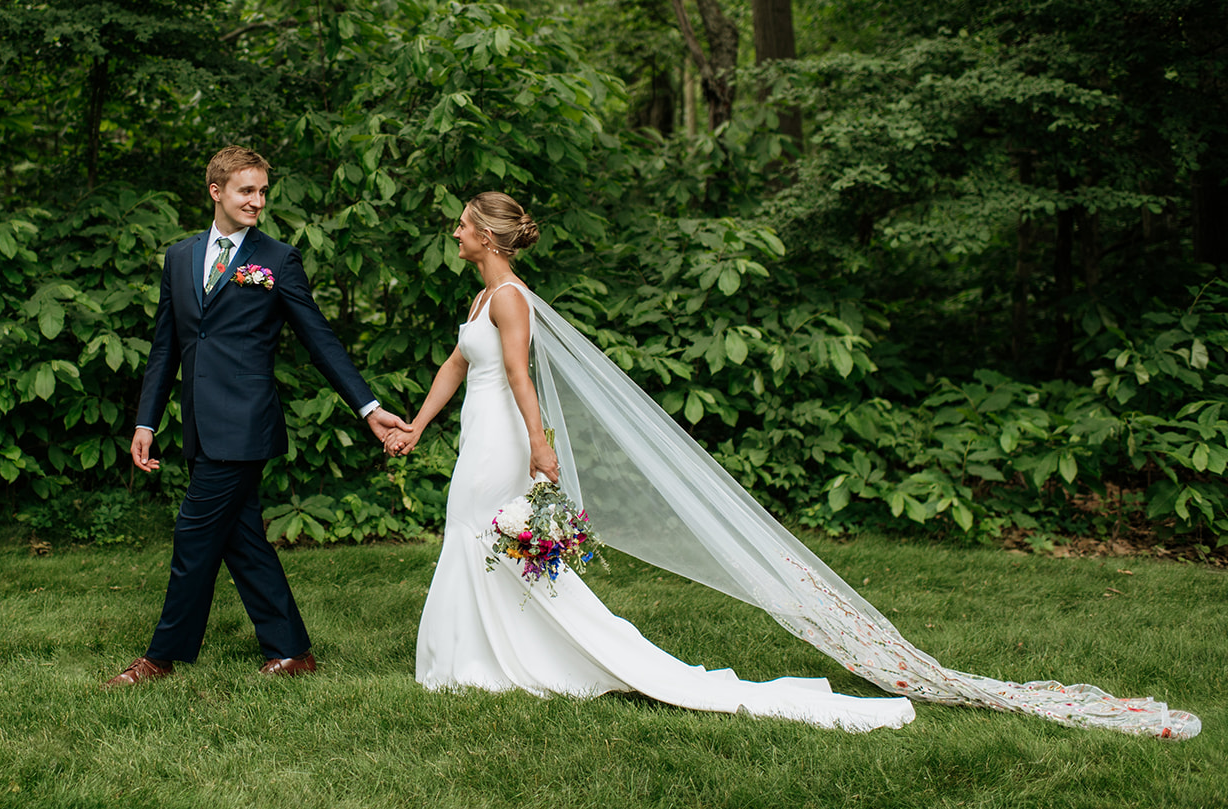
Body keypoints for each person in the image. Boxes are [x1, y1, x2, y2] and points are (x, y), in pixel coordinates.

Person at [389, 192, 1198, 737]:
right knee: (476, 539)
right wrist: (419, 427)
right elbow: (458, 369)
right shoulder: (477, 301)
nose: (454, 234)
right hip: (475, 437)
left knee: (489, 540)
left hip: (505, 438)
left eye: (463, 226)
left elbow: (523, 378)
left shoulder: (510, 298)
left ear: (487, 237)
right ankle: (483, 657)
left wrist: (541, 448)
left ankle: (516, 660)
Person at [104, 146, 412, 688]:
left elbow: (319, 340)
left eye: (263, 191)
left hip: (245, 423)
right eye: (247, 190)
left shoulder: (277, 260)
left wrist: (368, 408)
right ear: (216, 191)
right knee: (240, 537)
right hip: (199, 423)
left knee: (194, 537)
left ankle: (160, 658)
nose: (258, 201)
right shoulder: (179, 258)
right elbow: (166, 348)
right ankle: (291, 650)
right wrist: (145, 422)